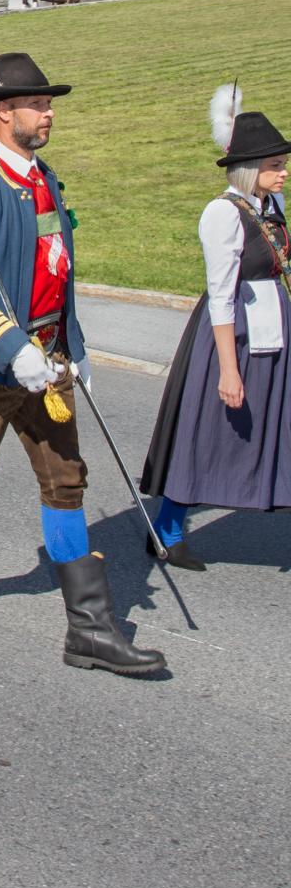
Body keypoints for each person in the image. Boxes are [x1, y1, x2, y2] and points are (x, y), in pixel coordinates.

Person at [0, 47, 164, 677]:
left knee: (65, 479)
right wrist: (12, 348)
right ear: (2, 112)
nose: (48, 114)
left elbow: (57, 274)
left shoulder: (45, 178)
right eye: (37, 104)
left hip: (48, 359)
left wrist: (75, 346)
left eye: (48, 104)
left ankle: (90, 630)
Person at [141, 91, 291, 568]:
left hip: (275, 327)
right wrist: (228, 369)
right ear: (249, 169)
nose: (284, 172)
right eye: (275, 165)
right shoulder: (223, 214)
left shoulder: (271, 204)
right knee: (212, 433)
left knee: (280, 424)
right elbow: (222, 295)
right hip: (234, 334)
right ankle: (167, 528)